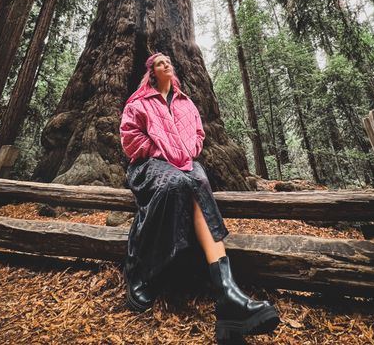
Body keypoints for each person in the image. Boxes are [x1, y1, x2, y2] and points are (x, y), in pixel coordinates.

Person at [119, 52, 280, 341]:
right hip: (148, 164)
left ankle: (228, 294)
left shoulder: (186, 102)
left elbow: (199, 133)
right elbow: (130, 137)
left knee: (199, 180)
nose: (166, 64)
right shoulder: (139, 102)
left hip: (185, 163)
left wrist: (189, 151)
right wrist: (159, 151)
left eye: (168, 61)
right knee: (174, 185)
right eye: (159, 63)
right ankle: (142, 272)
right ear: (151, 72)